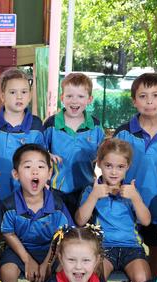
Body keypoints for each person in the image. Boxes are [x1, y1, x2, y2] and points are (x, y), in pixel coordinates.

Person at [0, 143, 73, 282]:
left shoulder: (58, 203)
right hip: (20, 248)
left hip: (51, 248)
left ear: (49, 173)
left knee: (67, 269)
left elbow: (62, 236)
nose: (34, 170)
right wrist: (27, 260)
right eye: (27, 167)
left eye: (40, 166)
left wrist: (47, 262)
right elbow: (8, 233)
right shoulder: (9, 204)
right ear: (15, 174)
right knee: (7, 272)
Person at [75, 138, 152, 282]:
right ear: (99, 163)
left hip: (131, 248)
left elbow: (146, 220)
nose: (114, 171)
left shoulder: (131, 191)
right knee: (96, 279)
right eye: (108, 165)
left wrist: (135, 198)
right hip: (103, 247)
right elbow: (80, 220)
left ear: (128, 167)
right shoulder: (91, 190)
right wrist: (93, 196)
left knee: (143, 281)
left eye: (120, 166)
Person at [114, 72, 157, 276]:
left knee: (156, 249)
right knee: (127, 250)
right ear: (134, 101)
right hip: (126, 206)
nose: (149, 101)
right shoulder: (124, 133)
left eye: (155, 95)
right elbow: (111, 165)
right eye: (143, 96)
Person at [0, 68, 44, 277]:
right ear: (2, 95)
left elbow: (42, 156)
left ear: (29, 96)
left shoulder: (37, 124)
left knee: (26, 230)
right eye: (12, 92)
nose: (19, 97)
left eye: (23, 92)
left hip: (27, 188)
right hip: (0, 186)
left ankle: (31, 276)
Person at [44, 73, 105, 216]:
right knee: (60, 230)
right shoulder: (51, 124)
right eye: (69, 96)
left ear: (89, 99)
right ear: (62, 98)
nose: (74, 101)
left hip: (86, 187)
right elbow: (37, 151)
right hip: (57, 188)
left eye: (80, 96)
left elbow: (104, 154)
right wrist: (47, 155)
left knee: (82, 229)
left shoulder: (95, 126)